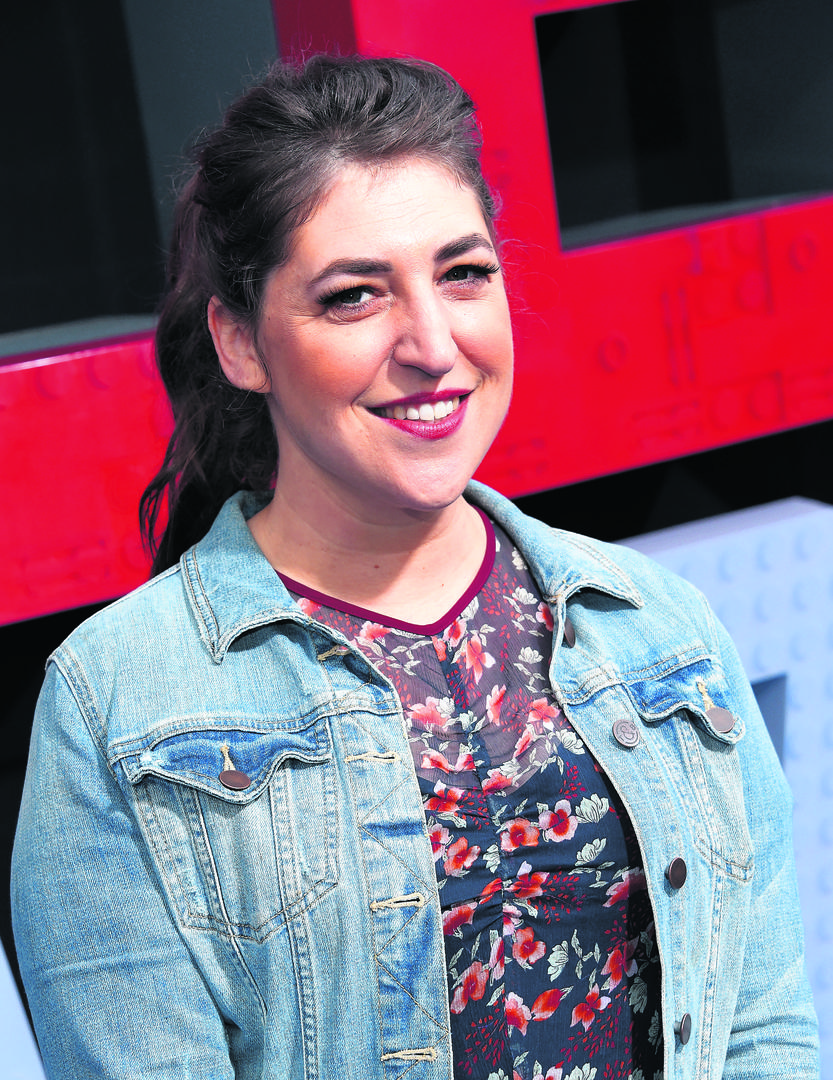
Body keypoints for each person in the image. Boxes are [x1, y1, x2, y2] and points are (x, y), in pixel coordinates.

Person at [12, 55, 818, 1080]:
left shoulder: (656, 625)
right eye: (354, 296)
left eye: (463, 273)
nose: (433, 344)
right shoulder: (117, 699)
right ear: (241, 343)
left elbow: (760, 1029)